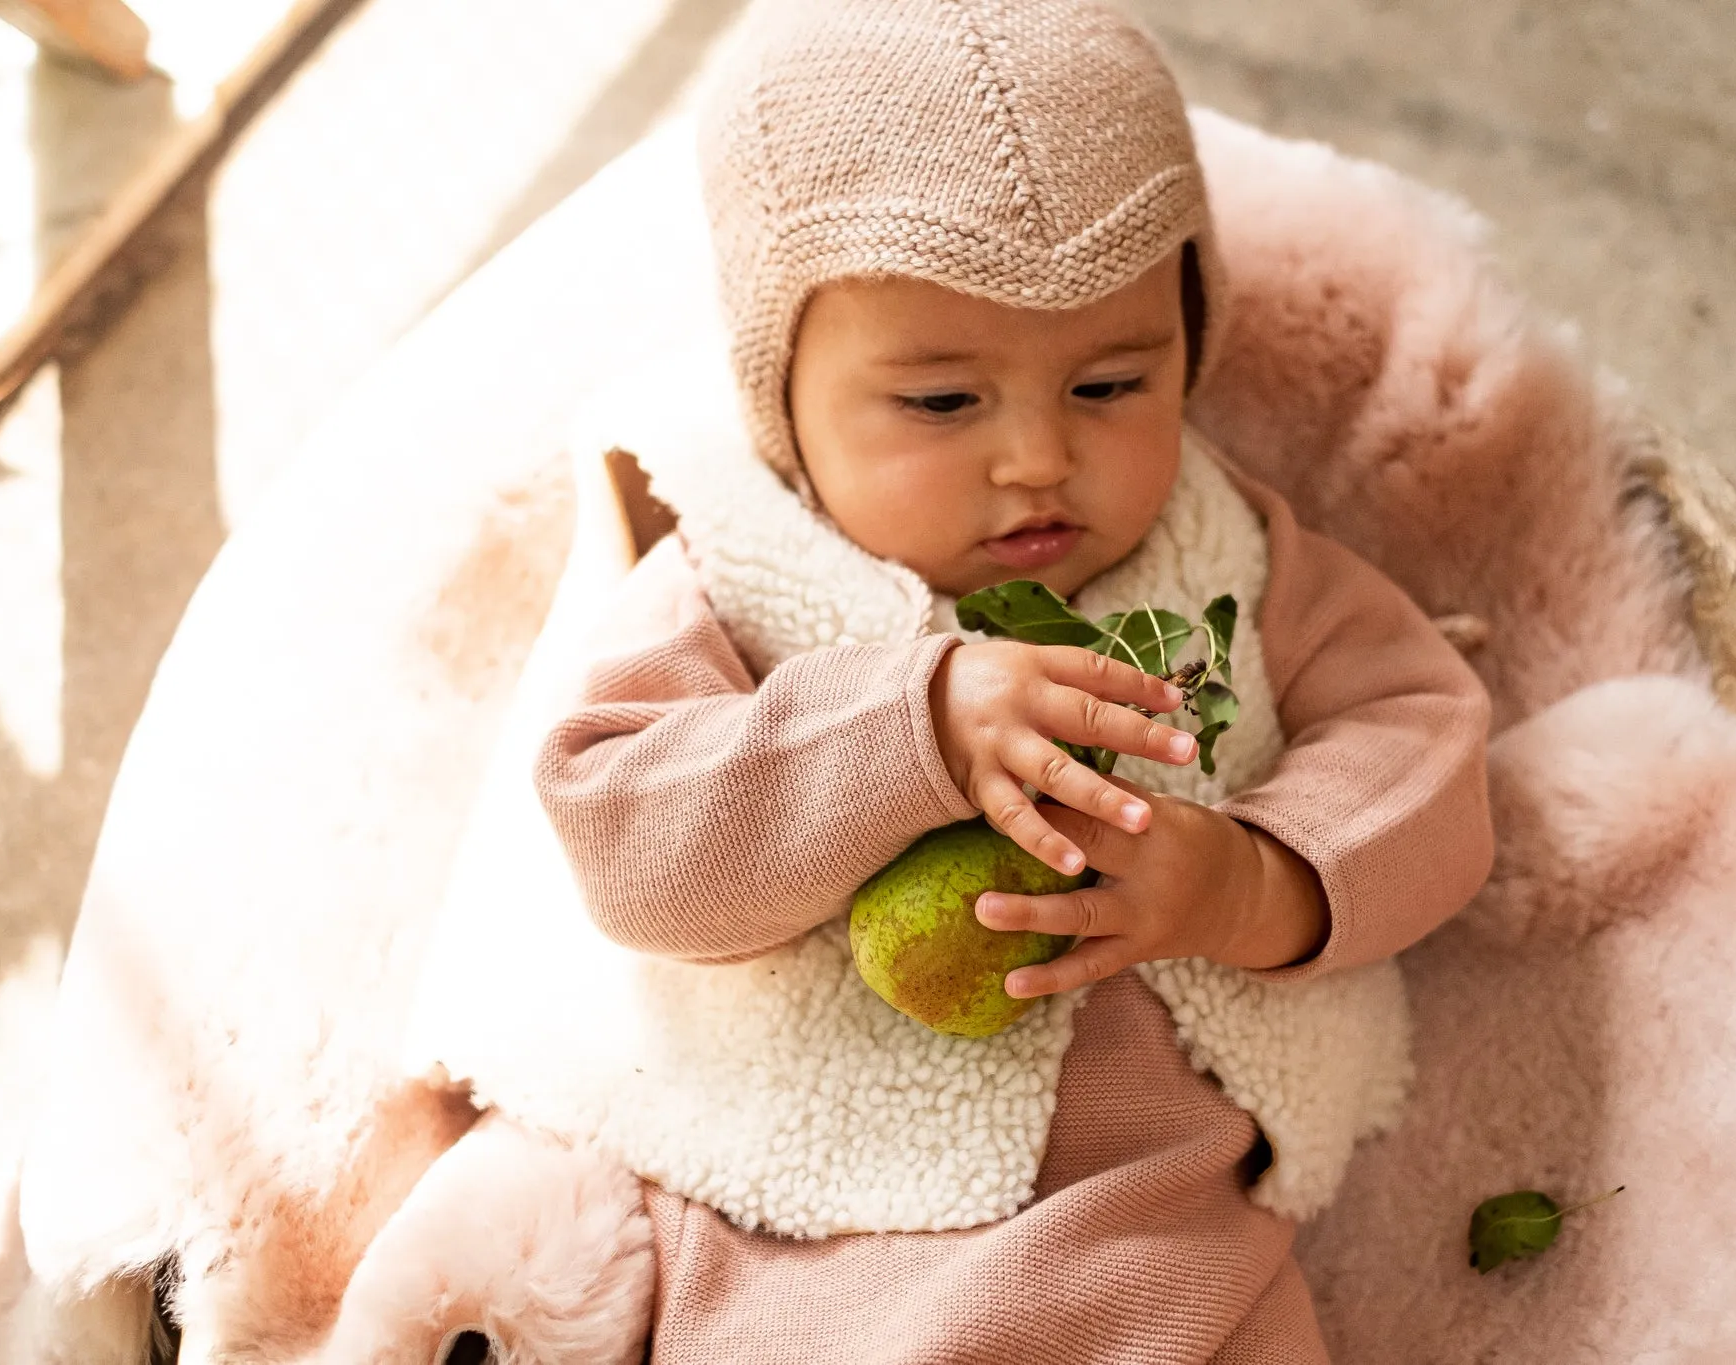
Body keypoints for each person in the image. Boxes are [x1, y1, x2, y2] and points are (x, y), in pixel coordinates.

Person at [532, 1, 1493, 1358]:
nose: (1038, 458)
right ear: (783, 398)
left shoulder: (1221, 568)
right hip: (805, 1228)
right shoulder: (737, 573)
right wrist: (904, 728)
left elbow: (1428, 743)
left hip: (1157, 1237)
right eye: (940, 403)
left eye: (1111, 384)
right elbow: (621, 830)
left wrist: (1251, 877)